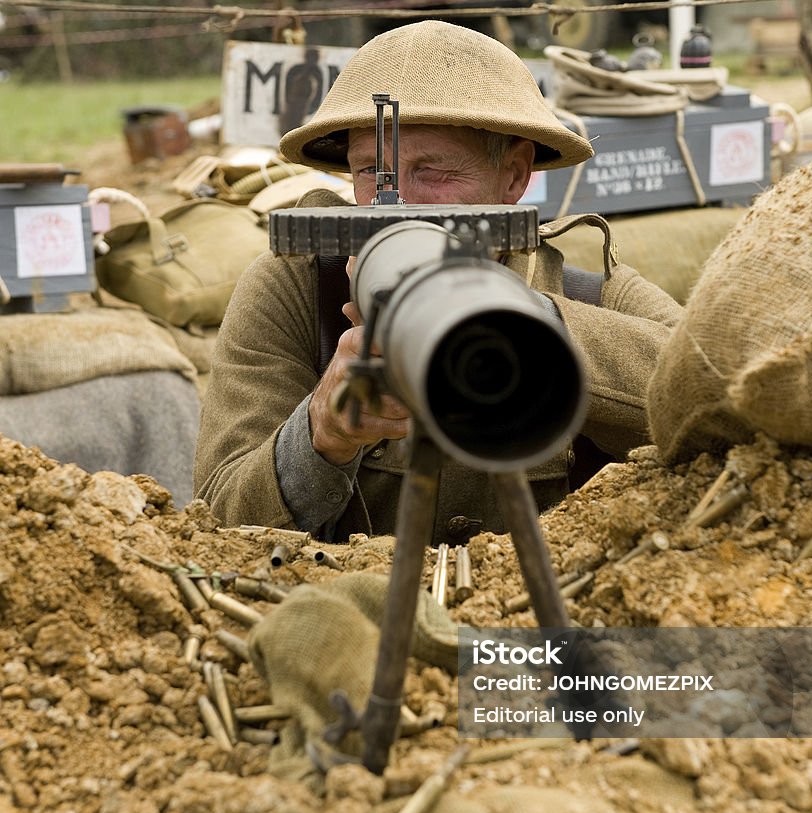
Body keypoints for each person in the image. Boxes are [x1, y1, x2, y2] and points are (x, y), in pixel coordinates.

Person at [194, 20, 682, 543]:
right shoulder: (296, 289)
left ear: (515, 175)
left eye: (434, 172)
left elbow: (721, 387)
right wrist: (319, 435)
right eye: (371, 173)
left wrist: (532, 328)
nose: (398, 205)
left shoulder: (587, 290)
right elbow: (216, 519)